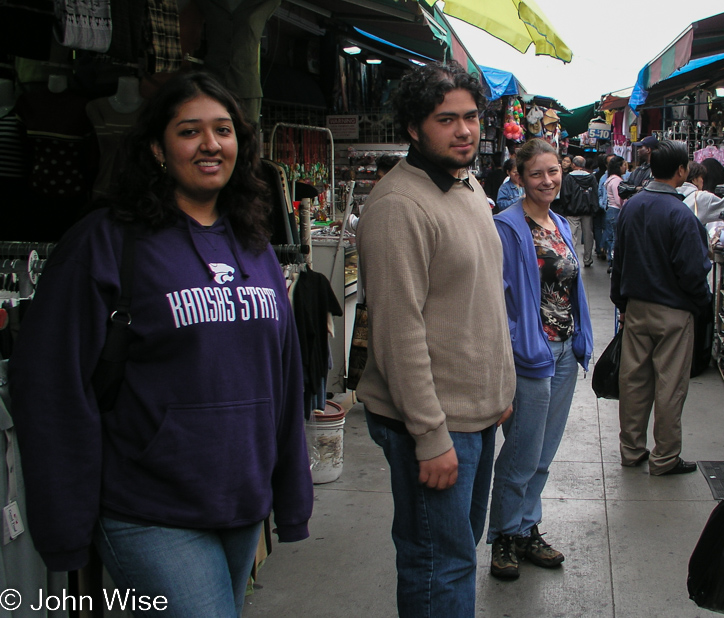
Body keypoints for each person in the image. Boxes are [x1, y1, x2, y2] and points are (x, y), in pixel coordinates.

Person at [8, 72, 313, 615]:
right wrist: (64, 523)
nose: (210, 144)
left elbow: (282, 381)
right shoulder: (104, 243)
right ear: (156, 147)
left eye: (223, 130)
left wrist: (288, 495)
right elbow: (51, 386)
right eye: (189, 131)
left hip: (241, 500)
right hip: (146, 508)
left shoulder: (256, 246)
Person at [355, 61, 516, 617]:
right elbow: (398, 337)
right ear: (413, 128)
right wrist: (430, 436)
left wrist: (501, 389)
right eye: (446, 119)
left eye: (471, 117)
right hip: (433, 423)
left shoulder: (467, 186)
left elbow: (479, 303)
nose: (464, 130)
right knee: (437, 564)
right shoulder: (400, 205)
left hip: (473, 416)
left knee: (455, 552)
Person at [488, 139, 593, 580]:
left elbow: (570, 288)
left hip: (565, 351)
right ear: (518, 176)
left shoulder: (561, 223)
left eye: (553, 171)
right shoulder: (505, 227)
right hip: (529, 354)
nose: (547, 180)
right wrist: (516, 341)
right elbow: (496, 297)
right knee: (521, 452)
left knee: (545, 452)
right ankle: (505, 537)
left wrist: (582, 336)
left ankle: (528, 528)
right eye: (537, 173)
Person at [610, 140, 710, 475]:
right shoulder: (681, 214)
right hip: (673, 311)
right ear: (681, 171)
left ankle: (631, 449)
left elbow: (618, 260)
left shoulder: (632, 207)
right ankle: (665, 457)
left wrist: (621, 303)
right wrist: (700, 303)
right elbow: (693, 271)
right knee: (669, 385)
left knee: (634, 382)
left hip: (636, 307)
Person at [557, 155, 598, 267]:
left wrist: (566, 207)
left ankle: (573, 258)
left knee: (571, 235)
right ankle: (587, 259)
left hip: (572, 211)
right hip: (587, 211)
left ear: (573, 165)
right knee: (588, 235)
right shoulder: (591, 178)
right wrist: (594, 208)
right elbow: (595, 194)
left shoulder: (569, 178)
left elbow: (565, 195)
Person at [602, 155, 626, 268]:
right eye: (624, 165)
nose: (625, 168)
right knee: (615, 239)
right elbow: (619, 199)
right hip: (616, 211)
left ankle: (611, 261)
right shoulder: (617, 181)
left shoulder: (609, 179)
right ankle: (613, 263)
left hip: (610, 211)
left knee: (611, 237)